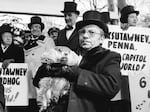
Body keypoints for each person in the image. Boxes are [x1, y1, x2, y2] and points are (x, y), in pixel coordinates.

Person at [45, 10, 122, 112]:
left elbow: (111, 86)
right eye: (82, 32)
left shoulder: (109, 57)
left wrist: (78, 74)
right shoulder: (71, 55)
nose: (85, 36)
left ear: (102, 38)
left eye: (91, 32)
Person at [23, 16, 55, 112]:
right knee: (30, 104)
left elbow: (52, 59)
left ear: (41, 29)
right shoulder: (26, 44)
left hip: (42, 78)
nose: (35, 29)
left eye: (37, 27)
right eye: (33, 27)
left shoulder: (47, 41)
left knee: (42, 105)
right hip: (28, 79)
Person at [0, 23, 24, 112]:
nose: (8, 38)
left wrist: (12, 61)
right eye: (5, 36)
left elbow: (22, 67)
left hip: (14, 92)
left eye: (10, 36)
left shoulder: (18, 50)